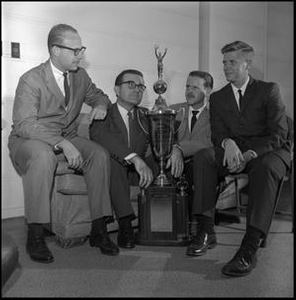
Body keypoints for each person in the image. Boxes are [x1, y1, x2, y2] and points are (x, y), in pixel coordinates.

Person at [8, 24, 120, 263]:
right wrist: (61, 143)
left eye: (82, 49)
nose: (81, 55)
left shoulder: (80, 75)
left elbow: (99, 95)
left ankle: (99, 231)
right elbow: (24, 125)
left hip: (66, 136)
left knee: (99, 154)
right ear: (55, 50)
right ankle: (35, 235)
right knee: (43, 156)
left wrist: (100, 105)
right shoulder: (31, 79)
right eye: (75, 50)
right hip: (30, 140)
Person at [186, 41, 290, 277]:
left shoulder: (268, 90)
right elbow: (218, 132)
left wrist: (250, 153)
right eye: (224, 62)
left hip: (268, 151)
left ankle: (249, 246)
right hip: (234, 150)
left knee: (266, 167)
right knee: (204, 157)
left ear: (247, 64)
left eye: (232, 62)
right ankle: (205, 228)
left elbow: (278, 133)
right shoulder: (220, 97)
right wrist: (228, 143)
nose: (226, 67)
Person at [89, 69, 183, 249]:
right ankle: (125, 226)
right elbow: (99, 136)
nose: (137, 89)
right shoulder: (104, 113)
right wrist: (134, 159)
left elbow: (166, 134)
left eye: (140, 86)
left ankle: (176, 222)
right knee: (112, 159)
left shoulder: (145, 115)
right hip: (115, 173)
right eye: (131, 85)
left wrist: (176, 148)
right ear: (116, 90)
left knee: (163, 159)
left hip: (140, 174)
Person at [170, 71, 214, 233]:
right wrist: (174, 149)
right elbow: (163, 137)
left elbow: (208, 141)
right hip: (173, 161)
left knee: (193, 168)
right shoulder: (174, 110)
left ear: (208, 91)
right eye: (188, 86)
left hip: (202, 164)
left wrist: (180, 148)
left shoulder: (216, 114)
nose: (189, 91)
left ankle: (194, 224)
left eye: (195, 87)